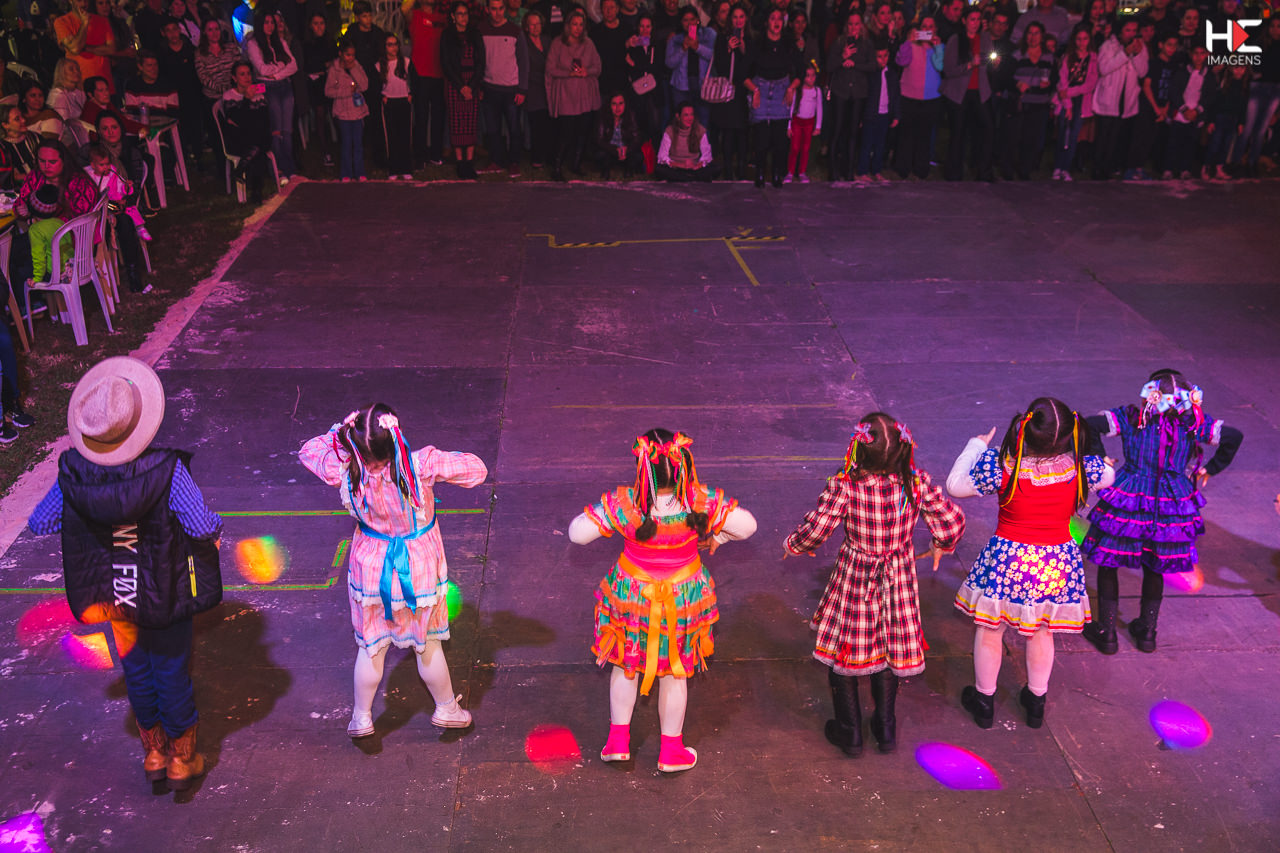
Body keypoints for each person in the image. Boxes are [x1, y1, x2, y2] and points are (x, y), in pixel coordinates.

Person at [26, 356, 223, 791]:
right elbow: (199, 525)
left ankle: (153, 753)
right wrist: (216, 533)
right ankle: (181, 759)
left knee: (136, 668)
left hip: (114, 592)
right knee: (171, 669)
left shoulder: (73, 475)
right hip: (165, 589)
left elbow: (40, 522)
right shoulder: (166, 470)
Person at [568, 429, 756, 773]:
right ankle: (671, 752)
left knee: (624, 666)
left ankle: (618, 743)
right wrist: (720, 536)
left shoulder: (626, 506)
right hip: (683, 600)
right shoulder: (700, 502)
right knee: (675, 674)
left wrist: (607, 516)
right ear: (684, 465)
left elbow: (577, 533)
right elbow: (748, 526)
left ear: (643, 469)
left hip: (632, 598)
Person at [299, 403, 487, 740]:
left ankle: (361, 718)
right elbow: (477, 470)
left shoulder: (345, 469)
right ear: (395, 435)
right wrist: (436, 459)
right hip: (418, 570)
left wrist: (342, 436)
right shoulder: (420, 465)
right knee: (427, 643)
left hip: (371, 570)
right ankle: (446, 709)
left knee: (371, 647)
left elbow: (309, 450)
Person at [785, 415, 964, 756]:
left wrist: (793, 545)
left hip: (857, 576)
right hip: (898, 577)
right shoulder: (916, 482)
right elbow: (952, 521)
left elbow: (817, 530)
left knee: (846, 647)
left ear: (859, 450)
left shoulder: (846, 485)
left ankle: (850, 731)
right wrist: (941, 544)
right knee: (889, 647)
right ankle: (885, 727)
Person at [946, 398, 1114, 730]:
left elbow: (955, 486)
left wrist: (976, 446)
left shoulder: (1003, 465)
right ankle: (1036, 702)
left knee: (991, 629)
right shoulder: (1082, 468)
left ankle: (984, 702)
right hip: (1055, 562)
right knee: (1041, 630)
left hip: (1010, 560)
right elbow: (1108, 474)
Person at [1080, 371, 1242, 655]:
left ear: (1149, 396)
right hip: (1171, 502)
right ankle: (1147, 631)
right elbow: (1233, 436)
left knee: (1109, 562)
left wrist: (1100, 457)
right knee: (1156, 565)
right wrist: (1210, 468)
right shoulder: (1193, 424)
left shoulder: (1131, 418)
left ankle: (1107, 632)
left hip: (1130, 496)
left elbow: (1088, 425)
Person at [90, 112, 150, 293]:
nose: (110, 132)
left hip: (124, 202)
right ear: (99, 132)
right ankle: (96, 276)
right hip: (99, 205)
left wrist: (125, 200)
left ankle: (133, 272)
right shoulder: (92, 153)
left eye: (114, 127)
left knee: (124, 220)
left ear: (121, 129)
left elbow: (136, 185)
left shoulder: (131, 152)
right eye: (105, 128)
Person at [745, 7, 800, 187]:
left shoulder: (789, 43)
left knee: (779, 138)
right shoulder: (757, 43)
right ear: (766, 22)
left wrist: (791, 88)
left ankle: (777, 173)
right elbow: (742, 73)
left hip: (781, 90)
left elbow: (801, 70)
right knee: (761, 137)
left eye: (779, 19)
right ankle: (760, 172)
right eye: (773, 18)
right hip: (761, 88)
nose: (776, 22)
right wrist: (754, 90)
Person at [940, 7, 996, 182]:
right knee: (958, 132)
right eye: (972, 19)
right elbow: (948, 70)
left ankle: (984, 171)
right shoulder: (956, 40)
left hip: (981, 91)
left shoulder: (985, 38)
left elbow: (989, 63)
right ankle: (954, 173)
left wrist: (994, 63)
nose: (975, 23)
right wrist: (970, 64)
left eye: (978, 19)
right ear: (964, 21)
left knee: (988, 128)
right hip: (958, 93)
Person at [547, 9, 603, 180]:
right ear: (568, 25)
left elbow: (598, 67)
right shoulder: (557, 43)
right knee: (565, 133)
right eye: (574, 24)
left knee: (582, 132)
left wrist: (587, 71)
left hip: (585, 95)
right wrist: (568, 73)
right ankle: (557, 167)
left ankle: (576, 164)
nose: (578, 28)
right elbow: (550, 69)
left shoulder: (589, 43)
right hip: (566, 95)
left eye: (581, 24)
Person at [1091, 17, 1148, 180]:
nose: (1131, 34)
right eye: (1127, 30)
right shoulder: (1108, 46)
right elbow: (1104, 68)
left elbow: (1143, 72)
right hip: (1109, 98)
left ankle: (1109, 168)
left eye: (1134, 30)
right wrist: (1125, 53)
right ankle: (1097, 169)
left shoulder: (1140, 46)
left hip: (1127, 99)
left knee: (1116, 137)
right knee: (1103, 136)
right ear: (1120, 31)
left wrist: (1137, 54)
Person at [478, 0, 530, 175]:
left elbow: (524, 61)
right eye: (493, 9)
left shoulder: (515, 31)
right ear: (487, 10)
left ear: (505, 9)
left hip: (511, 89)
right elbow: (478, 59)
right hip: (489, 87)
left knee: (514, 128)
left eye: (501, 8)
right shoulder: (481, 30)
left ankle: (514, 161)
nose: (497, 12)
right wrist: (479, 86)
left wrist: (522, 89)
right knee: (492, 129)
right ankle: (496, 161)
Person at [246, 10, 298, 183]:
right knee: (276, 130)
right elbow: (262, 69)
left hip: (284, 85)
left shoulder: (280, 42)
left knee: (287, 130)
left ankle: (290, 168)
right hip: (268, 88)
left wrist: (276, 73)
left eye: (272, 23)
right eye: (266, 22)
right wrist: (282, 66)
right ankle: (279, 170)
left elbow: (294, 65)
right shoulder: (253, 44)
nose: (270, 26)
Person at [825, 11, 875, 183]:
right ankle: (833, 171)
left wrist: (855, 64)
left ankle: (848, 171)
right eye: (851, 24)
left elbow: (873, 65)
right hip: (840, 92)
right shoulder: (839, 42)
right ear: (847, 26)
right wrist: (843, 57)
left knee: (853, 132)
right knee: (837, 130)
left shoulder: (867, 44)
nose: (854, 27)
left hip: (858, 93)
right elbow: (829, 66)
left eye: (857, 23)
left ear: (862, 25)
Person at [1002, 22, 1055, 181]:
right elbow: (1005, 77)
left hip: (1039, 104)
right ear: (1025, 36)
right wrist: (1017, 84)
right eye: (1030, 33)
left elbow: (1055, 78)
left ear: (1042, 36)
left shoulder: (1049, 57)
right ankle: (1008, 170)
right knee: (1012, 138)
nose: (1033, 37)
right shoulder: (1017, 55)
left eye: (1036, 33)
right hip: (1019, 102)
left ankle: (1025, 170)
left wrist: (1049, 84)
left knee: (1031, 139)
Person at [893, 16, 944, 181]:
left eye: (931, 26)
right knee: (906, 135)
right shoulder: (911, 45)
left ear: (935, 29)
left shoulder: (939, 47)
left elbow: (940, 66)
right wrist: (908, 42)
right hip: (909, 96)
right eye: (924, 26)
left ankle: (921, 169)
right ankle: (903, 168)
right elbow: (901, 61)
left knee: (925, 136)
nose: (927, 30)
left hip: (931, 98)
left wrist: (938, 48)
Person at [440, 0, 486, 179]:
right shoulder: (447, 35)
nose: (463, 17)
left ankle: (469, 161)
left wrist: (472, 86)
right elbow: (446, 63)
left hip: (472, 81)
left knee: (471, 122)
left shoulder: (475, 33)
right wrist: (461, 86)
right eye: (459, 14)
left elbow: (481, 61)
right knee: (456, 122)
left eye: (465, 14)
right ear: (453, 16)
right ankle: (460, 162)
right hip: (455, 82)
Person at [220, 61, 274, 201]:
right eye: (242, 74)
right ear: (234, 78)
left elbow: (264, 120)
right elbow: (237, 121)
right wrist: (246, 100)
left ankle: (241, 169)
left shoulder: (259, 94)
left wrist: (245, 118)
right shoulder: (229, 96)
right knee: (258, 143)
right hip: (239, 140)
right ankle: (256, 191)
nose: (247, 77)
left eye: (249, 73)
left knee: (258, 140)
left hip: (256, 137)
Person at [403, 0, 448, 168]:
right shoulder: (415, 15)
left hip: (440, 72)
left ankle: (436, 154)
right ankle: (420, 156)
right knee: (421, 117)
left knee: (438, 116)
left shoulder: (442, 17)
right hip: (420, 72)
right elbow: (404, 8)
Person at [709, 4, 751, 180]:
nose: (738, 21)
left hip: (744, 91)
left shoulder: (751, 38)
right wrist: (728, 49)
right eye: (735, 17)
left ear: (746, 19)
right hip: (728, 91)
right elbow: (720, 67)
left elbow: (751, 66)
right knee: (728, 132)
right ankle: (727, 171)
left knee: (742, 132)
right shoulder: (721, 38)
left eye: (741, 17)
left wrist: (743, 47)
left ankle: (741, 171)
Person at [1052, 25, 1098, 181]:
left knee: (1073, 135)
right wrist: (1067, 103)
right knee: (1062, 132)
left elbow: (1091, 83)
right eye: (1079, 39)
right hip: (1065, 100)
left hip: (1080, 99)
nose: (1082, 42)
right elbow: (1062, 80)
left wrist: (1071, 92)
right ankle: (1057, 166)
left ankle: (1066, 168)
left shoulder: (1093, 57)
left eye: (1085, 39)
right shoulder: (1068, 56)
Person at [84, 143, 150, 244]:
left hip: (118, 202)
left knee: (131, 209)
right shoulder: (90, 178)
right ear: (93, 165)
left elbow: (120, 186)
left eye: (107, 164)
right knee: (112, 211)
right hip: (104, 206)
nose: (106, 167)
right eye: (102, 165)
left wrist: (126, 187)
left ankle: (140, 228)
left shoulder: (113, 174)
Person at [1164, 45, 1214, 180]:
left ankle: (1185, 169)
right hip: (1180, 113)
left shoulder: (1209, 76)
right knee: (1173, 143)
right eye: (1195, 53)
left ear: (1207, 55)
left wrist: (1197, 111)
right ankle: (1169, 169)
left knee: (1190, 143)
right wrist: (1184, 109)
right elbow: (1174, 91)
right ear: (1191, 55)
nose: (1198, 57)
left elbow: (1209, 96)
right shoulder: (1182, 72)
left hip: (1196, 115)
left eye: (1202, 53)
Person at [326, 42, 371, 182]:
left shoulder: (357, 66)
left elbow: (365, 85)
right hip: (342, 112)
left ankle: (359, 172)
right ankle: (346, 172)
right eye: (347, 55)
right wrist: (346, 91)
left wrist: (354, 71)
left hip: (357, 111)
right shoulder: (334, 69)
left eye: (353, 55)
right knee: (346, 143)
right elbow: (328, 91)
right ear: (341, 54)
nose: (350, 58)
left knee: (358, 143)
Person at [665, 6, 716, 129]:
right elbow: (669, 63)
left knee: (703, 123)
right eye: (685, 20)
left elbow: (715, 56)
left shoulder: (709, 34)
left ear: (698, 20)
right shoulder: (675, 39)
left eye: (692, 19)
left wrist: (697, 47)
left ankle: (703, 142)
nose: (689, 23)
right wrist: (683, 49)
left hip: (704, 86)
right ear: (681, 22)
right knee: (682, 125)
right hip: (681, 87)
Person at [54, 0, 116, 96]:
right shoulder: (62, 22)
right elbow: (75, 49)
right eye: (79, 1)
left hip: (104, 84)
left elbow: (111, 50)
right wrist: (84, 23)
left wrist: (85, 48)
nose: (83, 4)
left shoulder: (102, 20)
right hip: (79, 86)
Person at [857, 44, 898, 182]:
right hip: (871, 114)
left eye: (885, 56)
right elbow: (864, 96)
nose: (883, 59)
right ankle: (862, 171)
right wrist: (862, 116)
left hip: (885, 114)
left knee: (880, 144)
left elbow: (895, 95)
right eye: (879, 57)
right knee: (867, 144)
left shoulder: (891, 74)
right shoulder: (871, 74)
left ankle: (876, 170)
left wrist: (896, 115)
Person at [302, 14, 338, 168]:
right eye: (315, 23)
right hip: (315, 82)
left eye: (322, 23)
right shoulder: (306, 44)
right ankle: (325, 150)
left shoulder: (330, 41)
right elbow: (309, 65)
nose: (319, 27)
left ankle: (340, 145)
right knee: (320, 111)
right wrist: (324, 66)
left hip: (330, 80)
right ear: (310, 25)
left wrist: (325, 66)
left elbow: (335, 61)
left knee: (337, 108)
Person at [378, 34, 414, 180]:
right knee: (391, 136)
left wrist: (410, 94)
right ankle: (393, 168)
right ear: (385, 47)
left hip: (404, 101)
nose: (393, 47)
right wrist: (382, 96)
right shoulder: (380, 65)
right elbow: (376, 85)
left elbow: (414, 80)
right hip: (389, 102)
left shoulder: (405, 62)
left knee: (405, 135)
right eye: (390, 44)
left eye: (395, 44)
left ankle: (406, 168)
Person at [624, 15, 663, 144]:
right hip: (638, 91)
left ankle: (656, 152)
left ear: (652, 28)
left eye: (648, 26)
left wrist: (635, 65)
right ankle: (643, 153)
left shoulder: (657, 44)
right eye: (642, 26)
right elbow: (625, 65)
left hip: (654, 90)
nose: (645, 30)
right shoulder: (633, 43)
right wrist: (627, 45)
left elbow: (657, 67)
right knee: (640, 124)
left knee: (655, 124)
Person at [1204, 64, 1248, 180]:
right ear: (1231, 68)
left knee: (1226, 145)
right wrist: (1211, 121)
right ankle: (1206, 167)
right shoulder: (1224, 82)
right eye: (1236, 68)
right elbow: (1215, 102)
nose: (1239, 71)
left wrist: (1241, 122)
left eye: (1242, 68)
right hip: (1220, 117)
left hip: (1233, 119)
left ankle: (1219, 168)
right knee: (1215, 144)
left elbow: (1243, 106)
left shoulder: (1244, 85)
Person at [523, 11, 555, 169]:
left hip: (549, 87)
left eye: (538, 24)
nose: (535, 27)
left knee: (549, 124)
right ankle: (536, 157)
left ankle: (549, 156)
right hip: (533, 88)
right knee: (536, 125)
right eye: (532, 24)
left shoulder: (548, 40)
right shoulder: (523, 43)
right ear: (526, 27)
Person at [656, 99, 718, 179]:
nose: (690, 118)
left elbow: (707, 156)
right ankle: (688, 178)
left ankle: (686, 178)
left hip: (694, 167)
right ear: (678, 117)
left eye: (691, 114)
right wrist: (682, 165)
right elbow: (662, 157)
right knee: (659, 169)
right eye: (686, 115)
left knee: (716, 168)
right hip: (676, 168)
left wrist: (697, 166)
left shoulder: (700, 130)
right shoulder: (670, 131)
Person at [785, 62, 822, 182]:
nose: (811, 78)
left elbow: (819, 108)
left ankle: (802, 172)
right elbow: (791, 108)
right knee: (795, 148)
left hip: (809, 123)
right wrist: (789, 126)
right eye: (808, 76)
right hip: (797, 122)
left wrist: (818, 126)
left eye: (813, 75)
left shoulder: (817, 91)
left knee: (805, 149)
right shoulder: (798, 90)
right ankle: (790, 172)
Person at [594, 92, 644, 177]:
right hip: (610, 150)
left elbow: (637, 138)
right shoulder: (603, 116)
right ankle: (606, 168)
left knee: (638, 156)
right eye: (614, 104)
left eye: (621, 103)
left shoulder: (630, 115)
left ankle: (629, 168)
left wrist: (626, 149)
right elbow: (599, 140)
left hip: (626, 151)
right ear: (609, 105)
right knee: (600, 155)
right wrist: (614, 149)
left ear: (625, 104)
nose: (618, 108)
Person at [0, 107, 43, 189]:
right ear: (5, 125)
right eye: (17, 119)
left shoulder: (35, 138)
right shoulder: (2, 148)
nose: (23, 120)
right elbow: (8, 179)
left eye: (22, 116)